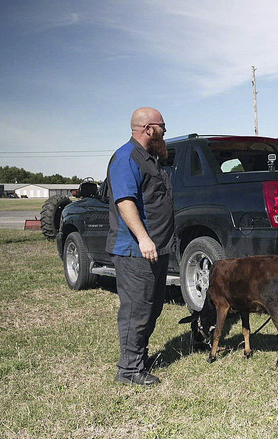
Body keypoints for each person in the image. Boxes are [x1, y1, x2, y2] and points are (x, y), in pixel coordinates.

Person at [106, 107, 175, 385]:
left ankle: (139, 358)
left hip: (156, 249)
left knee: (152, 307)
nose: (164, 132)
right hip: (135, 250)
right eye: (162, 127)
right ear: (148, 129)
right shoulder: (126, 157)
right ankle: (129, 370)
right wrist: (144, 238)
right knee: (137, 309)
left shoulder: (150, 159)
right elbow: (125, 201)